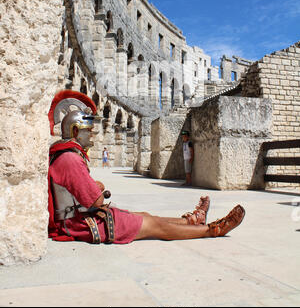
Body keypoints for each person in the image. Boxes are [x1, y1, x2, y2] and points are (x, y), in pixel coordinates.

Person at [47, 90, 245, 245]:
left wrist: (92, 186)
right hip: (79, 224)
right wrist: (97, 188)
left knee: (147, 217)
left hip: (83, 217)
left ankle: (191, 221)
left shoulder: (67, 155)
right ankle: (212, 230)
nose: (92, 135)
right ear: (75, 131)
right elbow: (97, 201)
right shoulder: (70, 159)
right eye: (88, 131)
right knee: (153, 225)